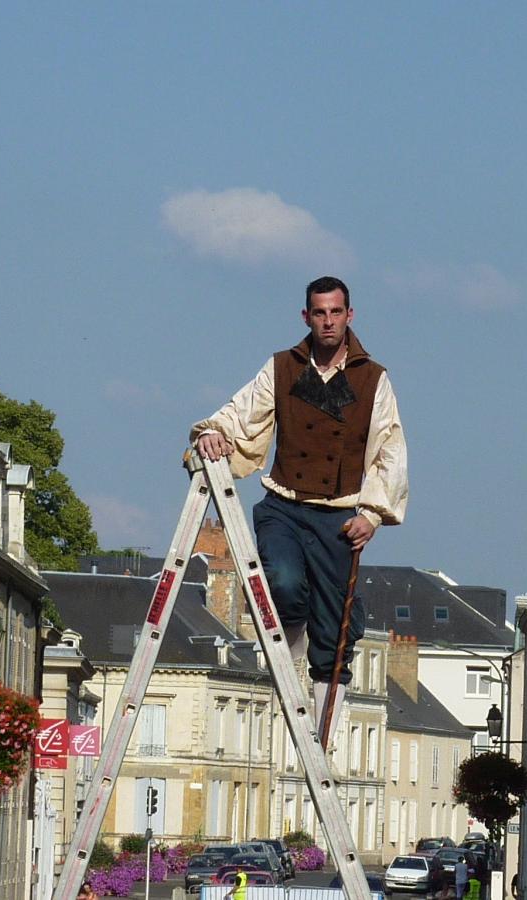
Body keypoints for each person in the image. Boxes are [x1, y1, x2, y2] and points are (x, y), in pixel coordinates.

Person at [193, 275, 408, 736]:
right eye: (319, 313)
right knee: (285, 583)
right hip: (285, 506)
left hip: (340, 516)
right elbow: (242, 411)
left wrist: (371, 515)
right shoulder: (282, 367)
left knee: (335, 631)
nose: (328, 321)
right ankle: (287, 654)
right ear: (306, 317)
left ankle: (322, 737)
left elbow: (389, 448)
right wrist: (214, 431)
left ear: (349, 316)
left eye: (336, 312)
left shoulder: (373, 378)